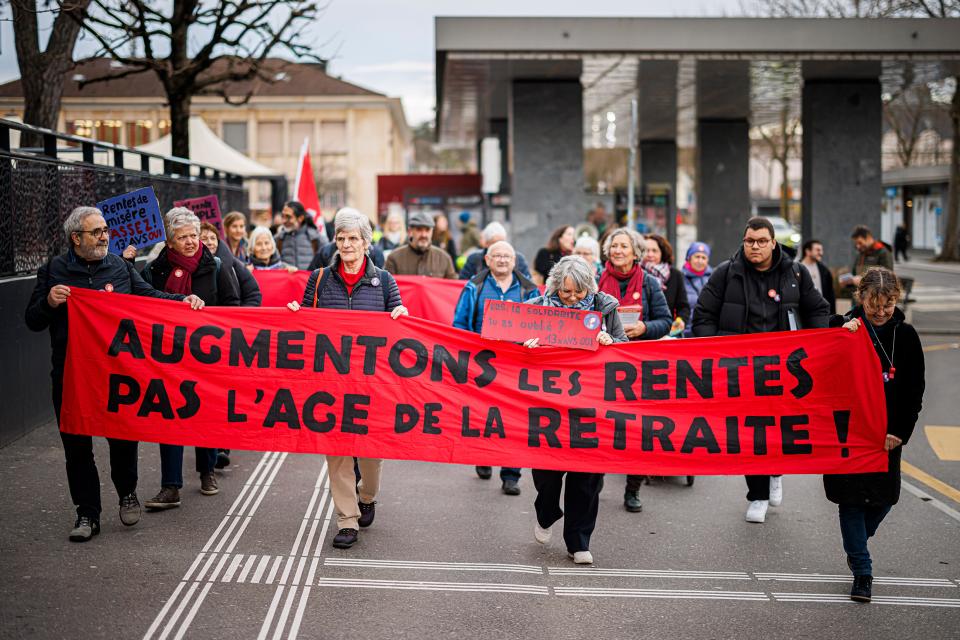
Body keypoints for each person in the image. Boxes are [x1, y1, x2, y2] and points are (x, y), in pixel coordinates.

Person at [24, 207, 204, 542]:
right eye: (96, 232)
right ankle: (87, 514)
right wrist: (49, 301)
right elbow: (33, 320)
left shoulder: (120, 267)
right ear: (76, 238)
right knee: (77, 448)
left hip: (117, 375)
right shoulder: (53, 271)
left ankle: (127, 491)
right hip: (72, 376)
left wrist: (183, 302)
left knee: (123, 439)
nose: (105, 236)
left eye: (106, 230)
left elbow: (150, 297)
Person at [693, 217, 830, 524]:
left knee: (780, 430)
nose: (755, 247)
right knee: (750, 433)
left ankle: (775, 472)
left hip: (786, 369)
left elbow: (818, 310)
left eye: (761, 241)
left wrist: (817, 344)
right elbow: (703, 315)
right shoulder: (726, 274)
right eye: (749, 241)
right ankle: (757, 494)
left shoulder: (796, 273)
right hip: (742, 371)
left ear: (773, 243)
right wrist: (716, 350)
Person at [286, 208, 409, 549]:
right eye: (341, 238)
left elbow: (398, 321)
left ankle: (366, 495)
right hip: (331, 382)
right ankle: (347, 520)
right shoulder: (320, 278)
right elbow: (308, 323)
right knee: (337, 451)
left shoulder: (384, 280)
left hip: (371, 384)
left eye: (353, 238)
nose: (346, 244)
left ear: (366, 243)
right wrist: (297, 315)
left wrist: (401, 314)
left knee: (370, 453)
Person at [829, 267, 924, 603]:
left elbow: (915, 390)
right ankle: (863, 572)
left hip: (887, 436)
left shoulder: (907, 335)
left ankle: (856, 543)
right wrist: (839, 330)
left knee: (884, 499)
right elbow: (819, 355)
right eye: (874, 305)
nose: (881, 312)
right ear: (861, 298)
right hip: (848, 431)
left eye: (888, 305)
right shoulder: (843, 327)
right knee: (850, 502)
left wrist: (900, 431)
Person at [524, 256, 627, 565]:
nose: (571, 299)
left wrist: (611, 342)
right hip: (549, 404)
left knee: (588, 477)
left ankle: (578, 540)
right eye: (565, 292)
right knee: (547, 472)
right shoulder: (536, 307)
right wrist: (525, 345)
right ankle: (546, 510)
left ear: (589, 289)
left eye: (578, 293)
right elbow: (510, 346)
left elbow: (625, 347)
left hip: (592, 406)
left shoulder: (606, 308)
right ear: (554, 287)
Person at [142, 208, 241, 510]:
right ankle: (170, 486)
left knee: (205, 414)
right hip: (169, 355)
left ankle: (207, 471)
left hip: (207, 355)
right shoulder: (154, 270)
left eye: (193, 235)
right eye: (182, 236)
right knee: (170, 418)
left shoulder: (216, 266)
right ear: (169, 242)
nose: (189, 241)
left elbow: (233, 303)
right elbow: (143, 303)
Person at [452, 240, 538, 495]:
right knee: (483, 417)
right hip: (482, 366)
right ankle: (484, 456)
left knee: (513, 421)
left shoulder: (529, 291)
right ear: (487, 260)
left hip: (515, 366)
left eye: (507, 256)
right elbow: (459, 324)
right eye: (497, 256)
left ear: (515, 261)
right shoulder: (474, 287)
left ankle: (511, 475)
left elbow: (539, 325)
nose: (502, 260)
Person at [598, 228, 672, 513]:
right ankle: (596, 477)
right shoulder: (595, 282)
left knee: (639, 430)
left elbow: (665, 321)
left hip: (640, 364)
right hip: (604, 364)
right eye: (613, 246)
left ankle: (633, 489)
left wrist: (644, 328)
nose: (617, 251)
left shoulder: (650, 283)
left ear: (635, 252)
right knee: (602, 426)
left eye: (623, 246)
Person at [200, 222, 262, 307]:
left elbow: (253, 294)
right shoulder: (192, 266)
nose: (210, 242)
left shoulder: (233, 262)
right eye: (204, 239)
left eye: (213, 238)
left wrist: (241, 315)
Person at [384, 210, 458, 278]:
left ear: (432, 232)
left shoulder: (444, 258)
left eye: (427, 230)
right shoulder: (394, 258)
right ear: (410, 232)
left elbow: (451, 288)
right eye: (419, 230)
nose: (424, 235)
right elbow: (387, 288)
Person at [643, 233, 691, 335]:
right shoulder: (636, 274)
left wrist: (677, 326)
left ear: (662, 253)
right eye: (645, 250)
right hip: (642, 333)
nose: (650, 254)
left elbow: (683, 307)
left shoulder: (675, 275)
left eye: (654, 251)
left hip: (668, 333)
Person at [458, 221, 532, 281]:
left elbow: (529, 286)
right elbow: (462, 285)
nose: (499, 247)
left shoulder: (518, 259)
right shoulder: (474, 259)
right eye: (494, 243)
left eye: (502, 242)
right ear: (486, 244)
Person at [275, 201, 326, 270]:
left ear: (300, 218)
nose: (284, 221)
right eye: (283, 216)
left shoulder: (316, 238)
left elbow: (328, 262)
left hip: (310, 280)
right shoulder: (278, 239)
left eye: (288, 217)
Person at [681, 241, 712, 336]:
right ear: (689, 258)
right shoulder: (680, 278)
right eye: (697, 257)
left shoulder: (714, 278)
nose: (700, 261)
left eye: (703, 257)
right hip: (685, 332)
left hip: (708, 331)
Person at [800, 239, 836, 314]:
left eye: (821, 250)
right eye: (818, 250)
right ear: (808, 251)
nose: (821, 253)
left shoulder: (824, 270)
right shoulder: (796, 268)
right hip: (802, 311)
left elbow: (830, 294)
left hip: (820, 311)